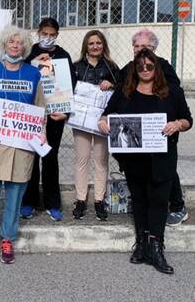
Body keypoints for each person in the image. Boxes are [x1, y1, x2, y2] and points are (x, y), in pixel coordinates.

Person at [99, 49, 192, 274]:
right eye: (140, 67)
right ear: (135, 69)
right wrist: (103, 122)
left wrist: (177, 125)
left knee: (159, 202)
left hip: (162, 159)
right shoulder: (124, 91)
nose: (145, 70)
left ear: (156, 68)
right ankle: (141, 243)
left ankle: (156, 247)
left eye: (149, 66)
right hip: (134, 160)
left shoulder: (172, 92)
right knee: (139, 201)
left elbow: (188, 119)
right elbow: (106, 114)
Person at [0, 25, 46, 264]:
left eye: (20, 42)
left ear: (25, 47)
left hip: (20, 148)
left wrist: (41, 132)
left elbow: (40, 110)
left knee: (14, 198)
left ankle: (8, 239)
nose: (15, 46)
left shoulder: (33, 75)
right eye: (11, 42)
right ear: (4, 44)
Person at [118, 29, 189, 226]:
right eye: (138, 46)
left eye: (146, 47)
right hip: (137, 129)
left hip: (160, 128)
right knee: (142, 169)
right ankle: (146, 205)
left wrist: (174, 123)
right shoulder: (129, 67)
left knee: (165, 168)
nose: (141, 50)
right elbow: (119, 88)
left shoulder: (163, 66)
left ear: (154, 49)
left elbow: (175, 92)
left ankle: (177, 206)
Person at [20, 17, 74, 221]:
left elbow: (71, 86)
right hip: (31, 114)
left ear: (57, 35)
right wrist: (35, 62)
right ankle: (28, 202)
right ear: (38, 33)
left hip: (54, 115)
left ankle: (53, 203)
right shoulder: (29, 53)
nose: (48, 38)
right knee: (30, 157)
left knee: (50, 158)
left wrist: (65, 113)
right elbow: (21, 78)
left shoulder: (63, 56)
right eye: (45, 34)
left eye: (52, 35)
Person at [71, 30, 120, 221]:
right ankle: (80, 200)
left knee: (101, 160)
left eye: (98, 43)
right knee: (81, 159)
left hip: (102, 121)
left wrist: (112, 84)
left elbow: (121, 90)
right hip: (81, 121)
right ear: (86, 45)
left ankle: (99, 200)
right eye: (91, 43)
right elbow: (66, 89)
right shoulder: (75, 67)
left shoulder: (112, 67)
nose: (95, 46)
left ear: (103, 45)